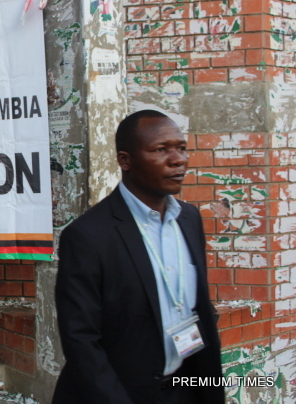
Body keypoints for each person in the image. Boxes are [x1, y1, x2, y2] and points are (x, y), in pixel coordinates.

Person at [52, 110, 224, 404]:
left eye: (181, 148)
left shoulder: (189, 219)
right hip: (119, 394)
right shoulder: (88, 235)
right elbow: (81, 341)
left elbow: (200, 311)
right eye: (160, 150)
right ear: (125, 160)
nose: (178, 159)